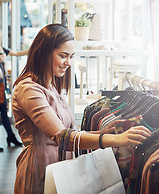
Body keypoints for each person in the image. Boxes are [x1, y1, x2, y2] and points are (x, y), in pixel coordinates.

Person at [12, 23, 152, 194]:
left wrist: (101, 134)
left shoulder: (51, 85)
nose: (68, 63)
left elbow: (67, 132)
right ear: (44, 53)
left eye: (71, 56)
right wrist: (116, 140)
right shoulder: (28, 89)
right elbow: (63, 137)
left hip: (59, 168)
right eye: (63, 56)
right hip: (39, 169)